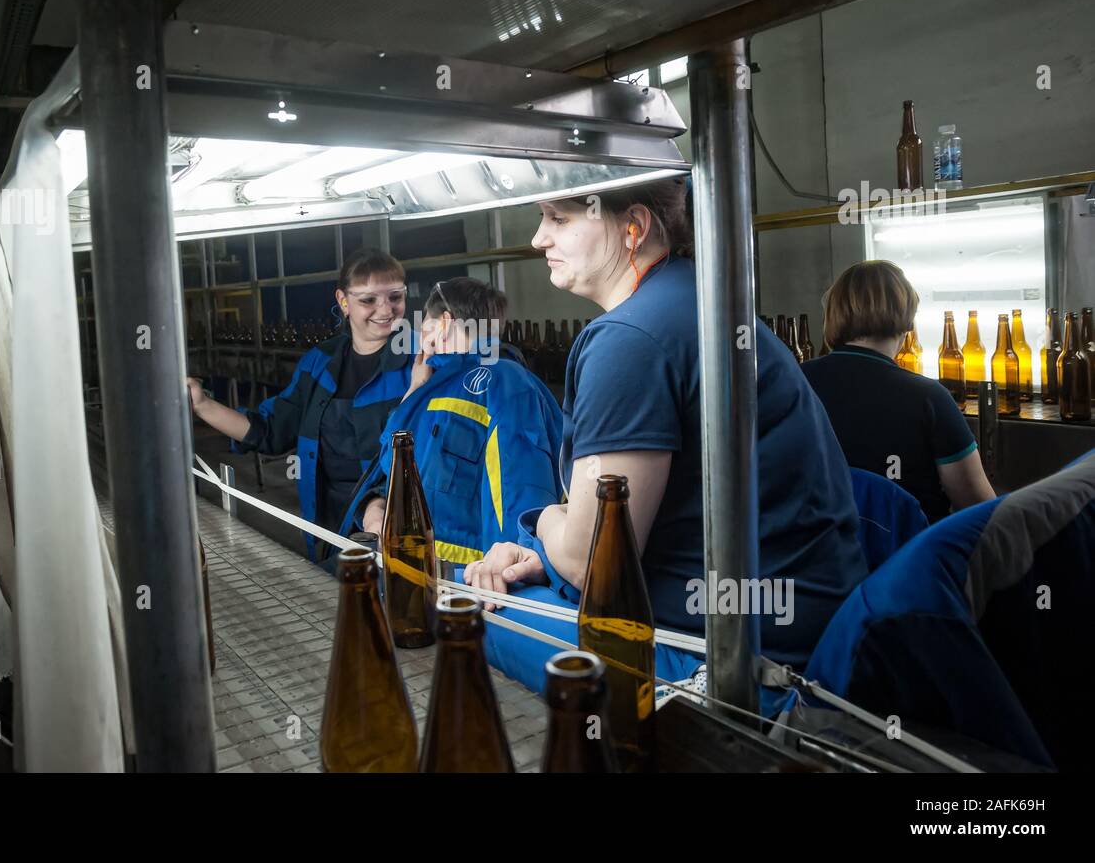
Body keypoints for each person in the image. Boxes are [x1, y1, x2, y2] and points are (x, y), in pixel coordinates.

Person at [464, 177, 868, 676]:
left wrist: (544, 522)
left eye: (559, 218)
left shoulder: (631, 340)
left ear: (632, 227)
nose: (538, 238)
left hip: (740, 664)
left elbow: (595, 562)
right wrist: (546, 555)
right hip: (797, 624)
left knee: (472, 616)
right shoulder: (693, 299)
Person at [187, 249, 414, 559]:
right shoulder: (319, 363)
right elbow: (271, 430)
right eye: (368, 300)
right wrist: (202, 405)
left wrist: (378, 506)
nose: (385, 310)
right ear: (343, 301)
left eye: (395, 297)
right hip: (327, 519)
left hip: (396, 519)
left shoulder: (422, 362)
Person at [342, 278, 562, 566]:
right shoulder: (431, 384)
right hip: (415, 572)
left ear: (443, 323)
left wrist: (507, 572)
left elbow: (519, 494)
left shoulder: (506, 383)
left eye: (425, 326)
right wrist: (412, 394)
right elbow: (391, 468)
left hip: (467, 583)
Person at [801, 261, 995, 522]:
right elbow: (980, 510)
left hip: (815, 555)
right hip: (907, 559)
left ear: (832, 316)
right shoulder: (929, 397)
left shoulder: (794, 383)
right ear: (908, 321)